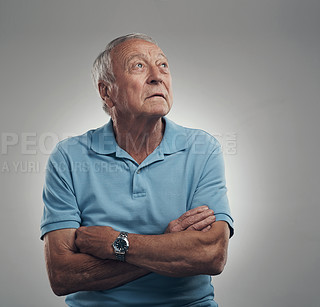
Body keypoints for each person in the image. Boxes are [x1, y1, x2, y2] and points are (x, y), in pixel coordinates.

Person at [40, 33, 234, 306]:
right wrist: (168, 244)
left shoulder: (203, 148)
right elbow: (63, 276)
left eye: (163, 65)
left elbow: (212, 253)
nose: (157, 76)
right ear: (106, 91)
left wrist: (116, 244)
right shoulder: (68, 156)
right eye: (139, 66)